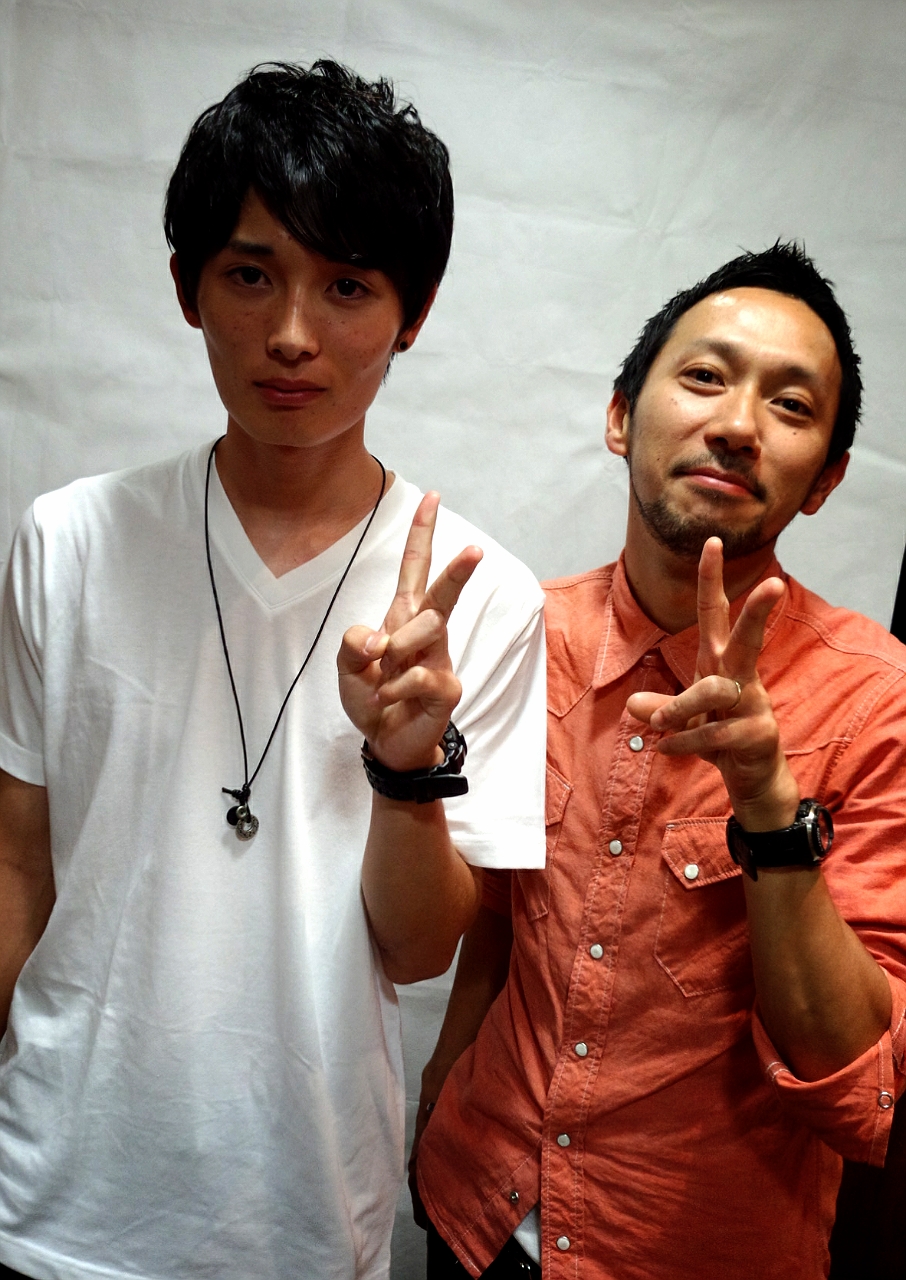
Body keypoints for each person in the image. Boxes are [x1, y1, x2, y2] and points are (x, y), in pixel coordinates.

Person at [0, 61, 546, 1280]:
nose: (293, 333)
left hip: (299, 1216)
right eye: (251, 274)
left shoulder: (482, 597)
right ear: (187, 287)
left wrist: (408, 764)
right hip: (47, 1200)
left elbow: (420, 948)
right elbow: (17, 866)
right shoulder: (67, 540)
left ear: (413, 312)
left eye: (347, 285)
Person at [413, 243, 906, 1280]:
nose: (738, 423)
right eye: (705, 376)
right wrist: (439, 1096)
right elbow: (499, 917)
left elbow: (854, 1081)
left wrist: (770, 805)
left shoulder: (878, 699)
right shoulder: (527, 633)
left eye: (791, 404)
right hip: (473, 1216)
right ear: (620, 417)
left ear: (826, 479)